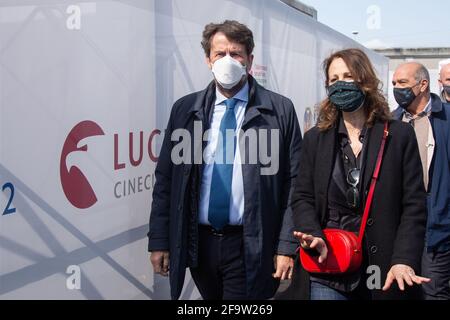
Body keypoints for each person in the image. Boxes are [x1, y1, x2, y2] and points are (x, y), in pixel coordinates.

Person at [147, 20, 302, 300]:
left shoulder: (278, 110)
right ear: (208, 60)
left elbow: (294, 184)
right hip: (199, 244)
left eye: (236, 53)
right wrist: (160, 239)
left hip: (250, 243)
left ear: (249, 60)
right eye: (220, 54)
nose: (227, 61)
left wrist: (286, 246)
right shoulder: (186, 110)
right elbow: (166, 179)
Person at [291, 48, 430, 300]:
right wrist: (312, 234)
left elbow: (414, 206)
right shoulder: (315, 139)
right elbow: (302, 197)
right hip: (329, 261)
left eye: (347, 76)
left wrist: (403, 260)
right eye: (334, 79)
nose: (340, 84)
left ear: (364, 82)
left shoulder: (398, 135)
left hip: (382, 267)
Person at [392, 62, 450, 300]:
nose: (397, 89)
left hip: (437, 229)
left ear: (423, 84)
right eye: (394, 83)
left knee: (433, 292)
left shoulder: (445, 119)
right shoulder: (391, 122)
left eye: (402, 83)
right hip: (400, 225)